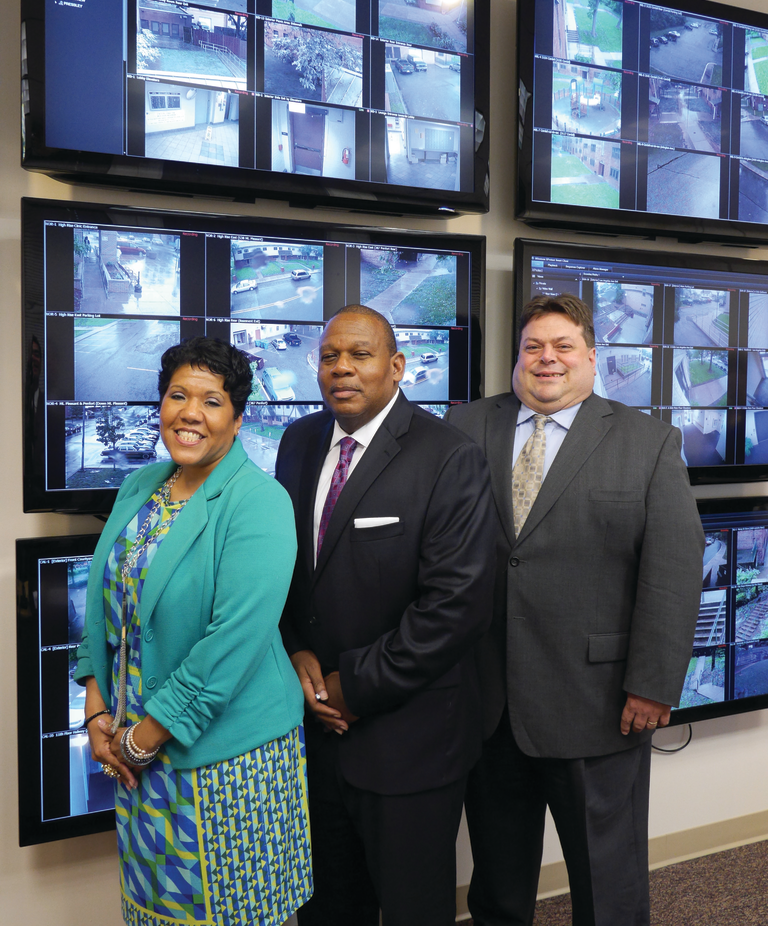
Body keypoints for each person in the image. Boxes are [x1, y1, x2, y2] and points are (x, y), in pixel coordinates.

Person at [445, 294, 704, 926]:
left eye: (563, 346)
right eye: (533, 346)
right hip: (487, 700)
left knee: (607, 882)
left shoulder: (646, 440)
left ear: (592, 356)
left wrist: (652, 683)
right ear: (517, 359)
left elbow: (673, 571)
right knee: (498, 880)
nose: (547, 358)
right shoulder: (464, 427)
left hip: (599, 701)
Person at [75, 337, 312, 926]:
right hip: (135, 755)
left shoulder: (259, 501)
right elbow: (107, 611)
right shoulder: (140, 487)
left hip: (226, 761)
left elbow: (230, 644)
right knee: (156, 913)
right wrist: (97, 711)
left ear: (237, 417)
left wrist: (142, 739)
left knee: (232, 915)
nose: (190, 412)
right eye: (178, 395)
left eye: (211, 400)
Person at [275, 304, 494, 926]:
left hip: (409, 743)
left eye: (360, 355)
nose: (341, 369)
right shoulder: (298, 442)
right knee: (325, 909)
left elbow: (457, 606)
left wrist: (351, 686)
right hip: (313, 733)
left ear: (396, 367)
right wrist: (296, 654)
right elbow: (284, 570)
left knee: (411, 911)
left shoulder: (448, 456)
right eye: (328, 356)